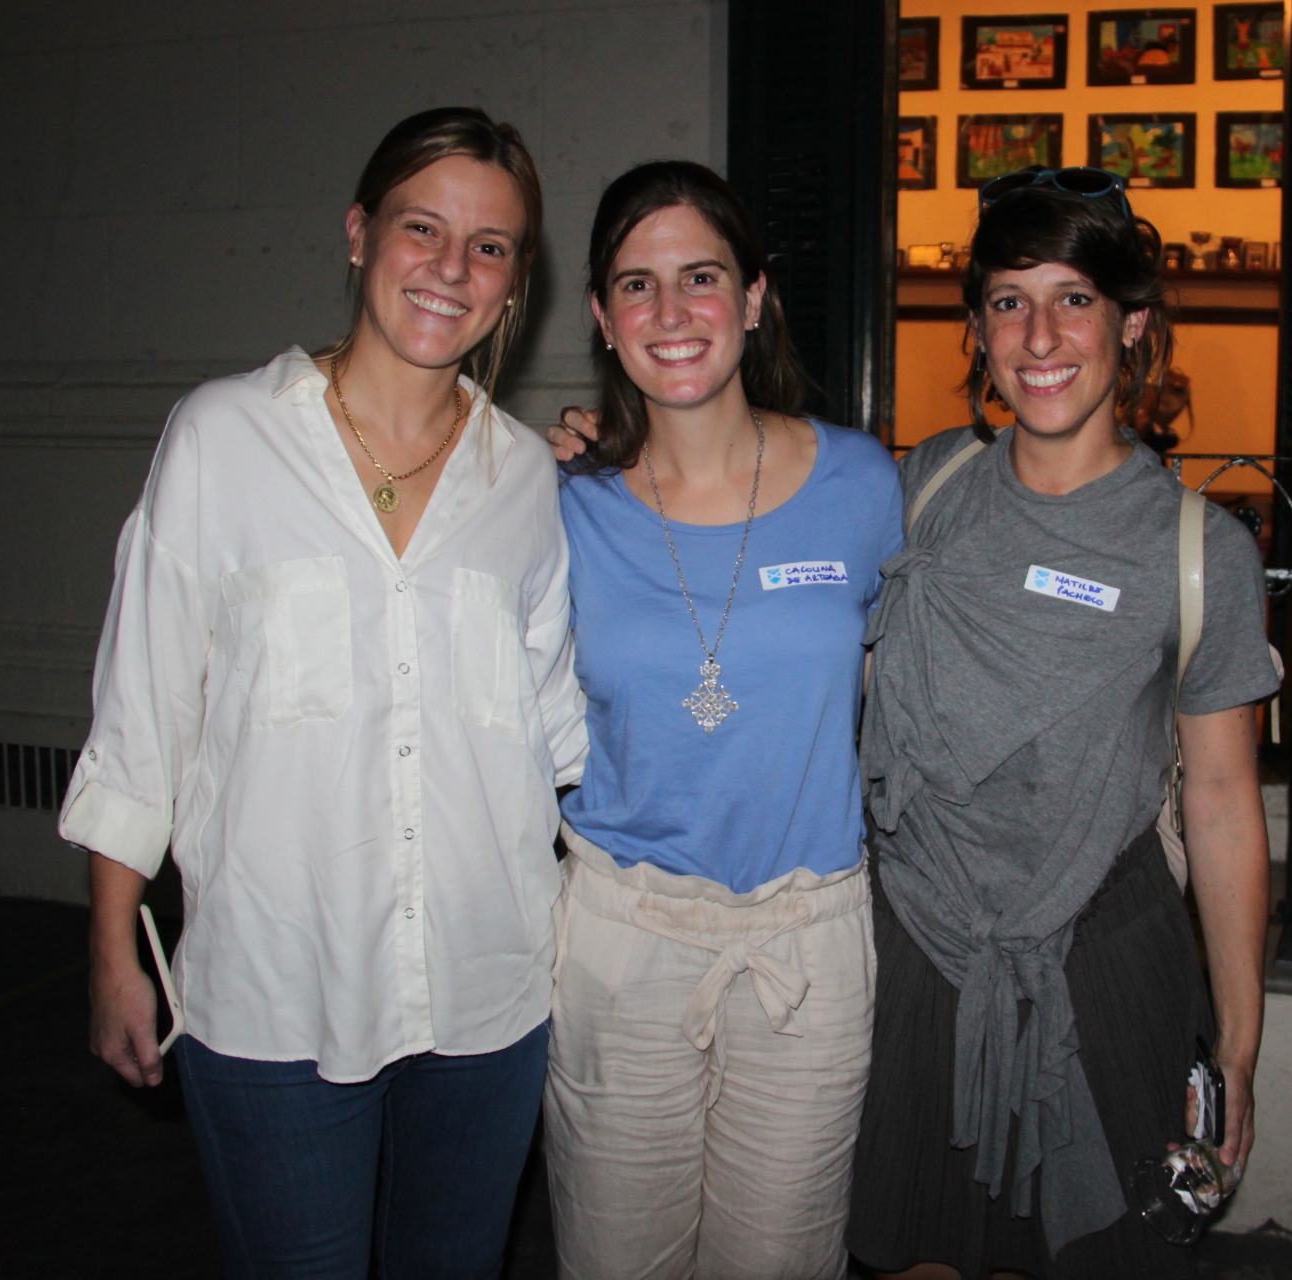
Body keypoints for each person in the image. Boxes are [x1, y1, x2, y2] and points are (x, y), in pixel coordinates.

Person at [65, 107, 584, 1279]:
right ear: (360, 234)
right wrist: (112, 954)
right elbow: (143, 715)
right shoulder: (222, 438)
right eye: (422, 228)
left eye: (490, 246)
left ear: (516, 284)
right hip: (272, 995)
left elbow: (563, 732)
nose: (452, 269)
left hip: (489, 991)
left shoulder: (529, 486)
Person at [846, 168, 1279, 1280]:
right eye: (1007, 299)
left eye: (1074, 297)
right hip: (918, 945)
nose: (1040, 333)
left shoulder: (1199, 553)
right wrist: (613, 453)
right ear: (978, 329)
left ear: (1133, 324)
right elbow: (743, 499)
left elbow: (1226, 802)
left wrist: (1237, 1039)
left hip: (1104, 953)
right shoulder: (923, 486)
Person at [544, 160, 903, 1279]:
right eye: (637, 285)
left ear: (754, 297)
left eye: (701, 276)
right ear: (602, 318)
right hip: (623, 938)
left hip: (808, 944)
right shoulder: (556, 503)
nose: (671, 312)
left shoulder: (862, 483)